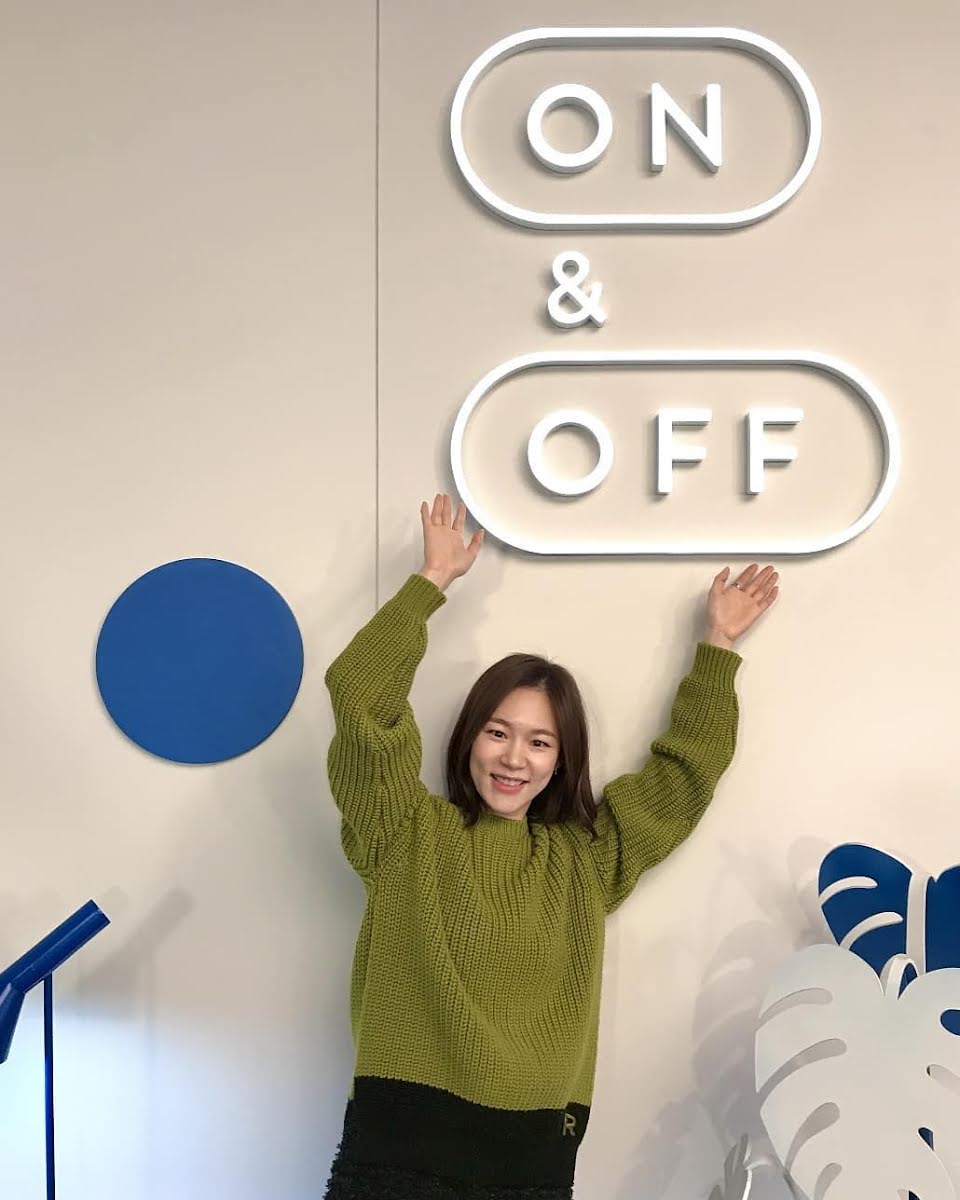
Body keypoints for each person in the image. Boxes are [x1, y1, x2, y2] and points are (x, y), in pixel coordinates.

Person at [323, 493, 779, 1200]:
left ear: (561, 761)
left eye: (540, 742)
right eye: (497, 732)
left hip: (528, 1166)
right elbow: (359, 697)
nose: (515, 758)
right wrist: (430, 581)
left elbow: (684, 776)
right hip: (394, 1158)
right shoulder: (402, 831)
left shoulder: (584, 860)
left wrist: (717, 649)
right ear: (469, 737)